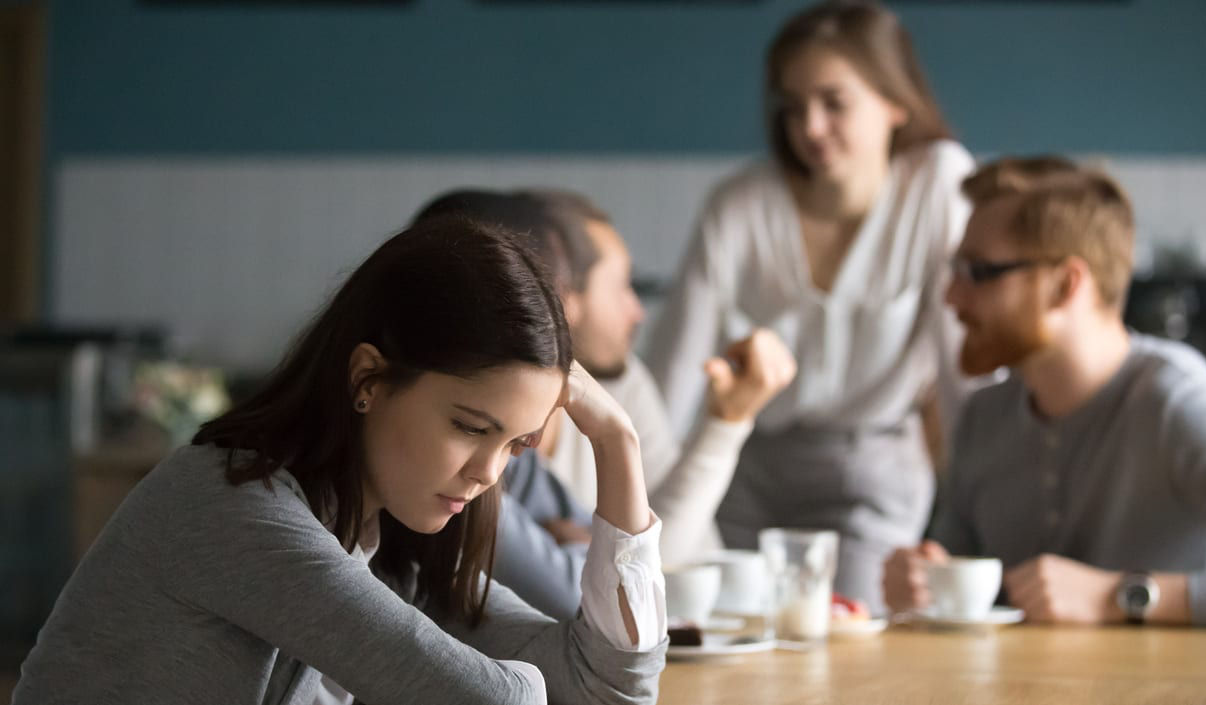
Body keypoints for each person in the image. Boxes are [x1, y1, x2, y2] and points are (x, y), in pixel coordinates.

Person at [13, 216, 667, 704]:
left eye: (517, 445)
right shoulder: (232, 505)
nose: (489, 473)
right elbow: (496, 700)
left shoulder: (385, 538)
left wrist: (617, 441)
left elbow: (606, 689)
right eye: (471, 427)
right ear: (368, 380)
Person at [645, 0, 974, 612]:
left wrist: (972, 527)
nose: (810, 128)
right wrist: (625, 511)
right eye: (793, 107)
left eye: (834, 102)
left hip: (870, 476)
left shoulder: (939, 184)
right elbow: (668, 383)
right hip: (747, 474)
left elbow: (963, 380)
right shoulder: (738, 205)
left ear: (896, 102)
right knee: (727, 634)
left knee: (845, 642)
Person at [883, 156, 1206, 629]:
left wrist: (1122, 597)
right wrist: (922, 581)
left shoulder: (1178, 402)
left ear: (1065, 285)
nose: (951, 297)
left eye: (977, 271)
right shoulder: (984, 415)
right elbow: (959, 569)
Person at [412, 190, 795, 619]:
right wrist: (594, 551)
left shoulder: (620, 385)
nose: (638, 311)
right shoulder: (467, 465)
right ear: (558, 297)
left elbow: (668, 565)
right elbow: (613, 595)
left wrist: (590, 550)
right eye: (620, 286)